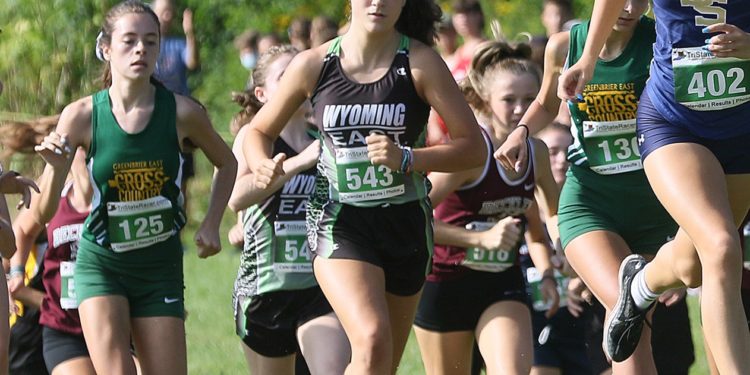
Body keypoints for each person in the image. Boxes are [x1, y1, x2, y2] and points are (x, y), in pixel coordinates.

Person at [243, 0, 486, 372]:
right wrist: (261, 164)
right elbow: (258, 130)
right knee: (372, 339)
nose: (378, 2)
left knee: (381, 363)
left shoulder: (421, 63)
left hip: (405, 226)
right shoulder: (314, 64)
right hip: (339, 221)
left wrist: (408, 159)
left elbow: (473, 148)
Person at [33, 2, 236, 374]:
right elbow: (44, 213)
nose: (141, 49)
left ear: (159, 49)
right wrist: (57, 169)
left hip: (160, 267)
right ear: (106, 49)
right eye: (129, 41)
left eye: (150, 41)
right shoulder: (80, 115)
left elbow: (228, 162)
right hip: (101, 265)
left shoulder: (182, 112)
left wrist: (210, 223)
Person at [496, 0, 697, 372]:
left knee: (639, 329)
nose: (630, 7)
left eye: (640, 0)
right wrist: (521, 132)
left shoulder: (660, 40)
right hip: (590, 202)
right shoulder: (564, 45)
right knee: (629, 318)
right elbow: (544, 100)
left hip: (656, 207)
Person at [554, 0, 750, 373]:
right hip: (674, 120)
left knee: (694, 267)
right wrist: (588, 57)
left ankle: (641, 285)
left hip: (742, 125)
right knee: (723, 248)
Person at [413, 40, 561, 375]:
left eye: (529, 100)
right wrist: (479, 239)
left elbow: (546, 219)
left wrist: (552, 266)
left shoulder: (536, 154)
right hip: (444, 283)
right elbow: (413, 216)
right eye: (509, 100)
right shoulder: (470, 155)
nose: (520, 110)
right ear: (485, 100)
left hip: (500, 284)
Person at [229, 45, 349, 375]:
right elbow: (236, 197)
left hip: (320, 287)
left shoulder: (325, 137)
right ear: (263, 93)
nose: (298, 82)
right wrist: (298, 163)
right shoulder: (253, 140)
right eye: (285, 76)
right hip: (266, 290)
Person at [9, 148, 95, 375]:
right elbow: (20, 233)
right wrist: (16, 274)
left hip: (118, 319)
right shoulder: (54, 194)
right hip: (61, 325)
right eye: (81, 147)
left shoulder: (119, 191)